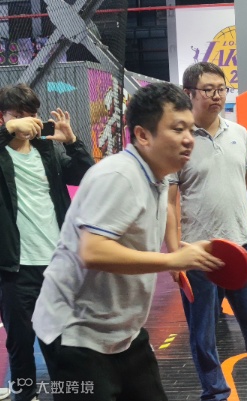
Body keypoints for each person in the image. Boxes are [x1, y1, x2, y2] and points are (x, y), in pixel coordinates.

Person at [32, 83, 224, 400]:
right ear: (143, 135)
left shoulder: (158, 175)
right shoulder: (119, 176)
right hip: (75, 335)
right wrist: (170, 260)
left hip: (124, 334)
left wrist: (179, 251)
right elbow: (92, 250)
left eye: (191, 129)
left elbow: (144, 231)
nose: (189, 138)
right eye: (178, 129)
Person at [165, 62, 247, 399]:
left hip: (243, 248)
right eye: (208, 90)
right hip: (198, 255)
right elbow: (169, 201)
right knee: (203, 336)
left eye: (221, 89)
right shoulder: (178, 140)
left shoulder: (239, 133)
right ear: (189, 93)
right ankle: (214, 394)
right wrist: (174, 252)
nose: (217, 96)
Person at [0, 83, 94, 401]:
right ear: (3, 117)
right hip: (15, 268)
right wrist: (9, 130)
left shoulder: (46, 152)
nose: (29, 121)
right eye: (19, 115)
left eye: (32, 114)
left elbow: (85, 175)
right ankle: (25, 395)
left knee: (60, 343)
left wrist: (73, 143)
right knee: (20, 343)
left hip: (55, 264)